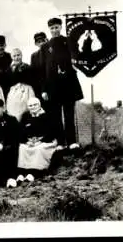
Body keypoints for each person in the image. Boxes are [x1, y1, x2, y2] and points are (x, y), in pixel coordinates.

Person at [41, 17, 84, 150]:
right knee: (56, 115)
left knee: (69, 114)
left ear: (61, 27)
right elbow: (43, 70)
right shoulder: (45, 47)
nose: (54, 30)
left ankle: (71, 142)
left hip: (68, 84)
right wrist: (44, 89)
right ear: (49, 29)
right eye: (52, 28)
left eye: (56, 27)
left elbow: (77, 56)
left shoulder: (68, 41)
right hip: (53, 86)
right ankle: (60, 142)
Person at [17, 98, 58, 184]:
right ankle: (22, 172)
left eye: (35, 105)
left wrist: (40, 141)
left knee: (39, 149)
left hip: (45, 141)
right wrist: (27, 141)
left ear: (39, 105)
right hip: (30, 141)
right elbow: (21, 131)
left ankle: (35, 172)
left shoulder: (48, 115)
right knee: (22, 148)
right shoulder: (25, 116)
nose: (33, 107)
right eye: (30, 106)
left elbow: (52, 131)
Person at [6, 48, 36, 121]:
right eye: (14, 56)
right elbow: (8, 83)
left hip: (26, 91)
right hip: (14, 93)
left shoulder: (28, 67)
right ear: (11, 57)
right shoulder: (9, 69)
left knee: (26, 111)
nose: (17, 57)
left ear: (21, 55)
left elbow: (32, 80)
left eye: (18, 55)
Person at [30, 32, 48, 104]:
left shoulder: (52, 52)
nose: (41, 43)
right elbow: (33, 73)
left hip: (53, 87)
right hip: (40, 88)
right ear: (36, 44)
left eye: (43, 41)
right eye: (38, 42)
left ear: (46, 40)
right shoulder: (34, 56)